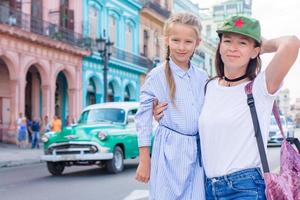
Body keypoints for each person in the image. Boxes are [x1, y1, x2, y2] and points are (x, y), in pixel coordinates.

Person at [154, 15, 300, 199]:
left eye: (242, 43)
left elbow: (292, 43)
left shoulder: (260, 87)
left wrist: (263, 45)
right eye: (227, 41)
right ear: (220, 47)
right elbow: (187, 118)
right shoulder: (208, 86)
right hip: (207, 187)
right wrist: (161, 114)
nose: (233, 48)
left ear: (255, 51)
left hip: (245, 188)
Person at [135, 13, 207, 199]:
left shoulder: (202, 77)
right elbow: (142, 119)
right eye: (176, 40)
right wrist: (145, 160)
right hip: (168, 151)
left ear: (197, 43)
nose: (181, 47)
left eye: (188, 42)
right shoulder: (156, 76)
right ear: (167, 40)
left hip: (197, 152)